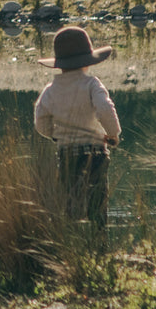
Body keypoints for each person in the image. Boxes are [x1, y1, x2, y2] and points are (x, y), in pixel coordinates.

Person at [33, 26, 120, 231]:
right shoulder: (91, 84)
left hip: (67, 155)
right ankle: (98, 242)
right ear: (87, 62)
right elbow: (105, 109)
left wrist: (56, 135)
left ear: (59, 64)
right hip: (95, 153)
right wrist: (112, 134)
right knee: (97, 204)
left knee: (71, 203)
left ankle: (74, 241)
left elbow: (40, 120)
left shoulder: (50, 90)